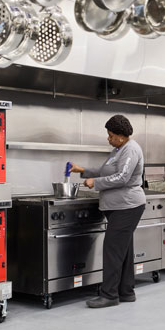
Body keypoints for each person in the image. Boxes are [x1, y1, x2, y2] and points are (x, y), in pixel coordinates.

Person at [70, 114, 146, 308]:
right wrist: (83, 170)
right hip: (118, 207)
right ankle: (126, 292)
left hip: (127, 206)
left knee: (112, 250)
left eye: (111, 135)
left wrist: (95, 183)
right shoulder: (118, 150)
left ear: (121, 136)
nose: (108, 138)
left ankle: (109, 295)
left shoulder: (130, 150)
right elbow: (106, 171)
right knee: (124, 250)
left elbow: (121, 177)